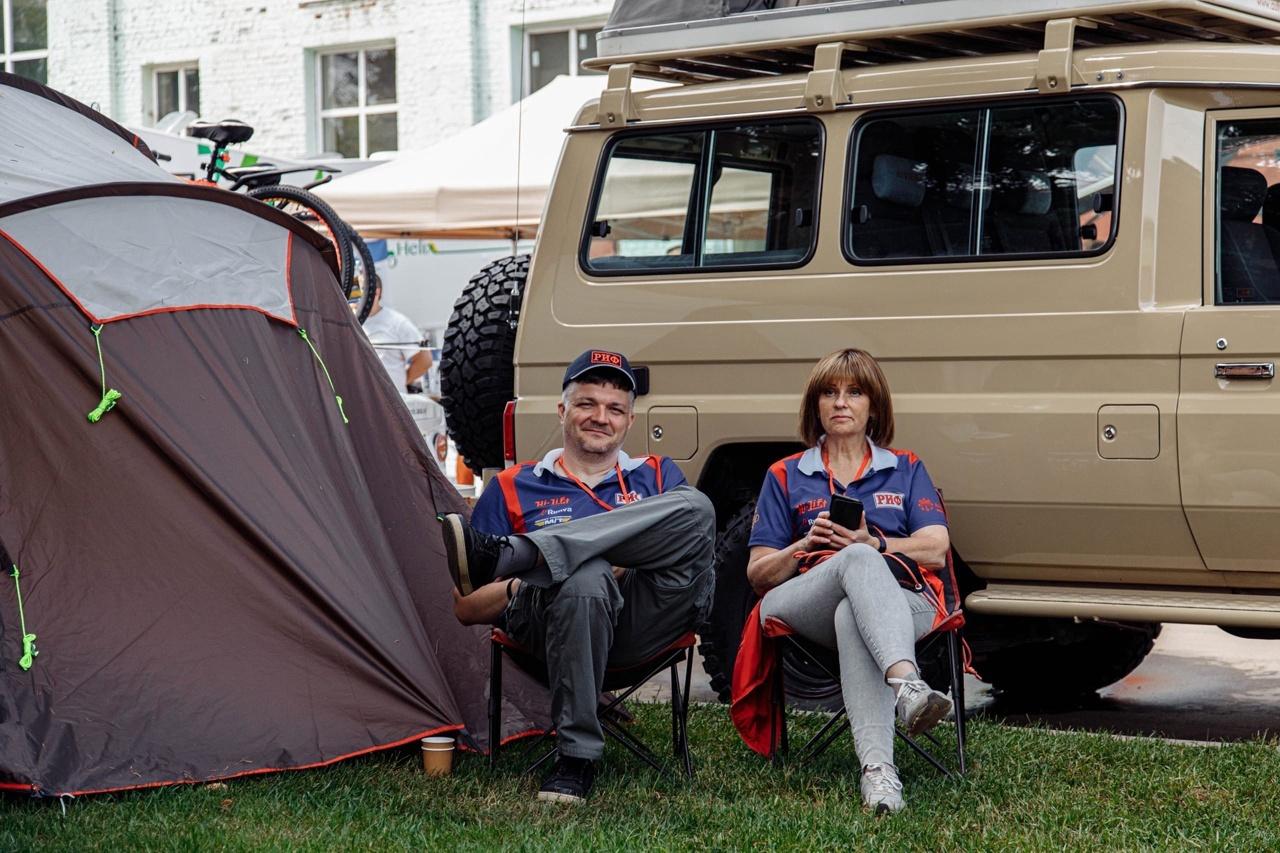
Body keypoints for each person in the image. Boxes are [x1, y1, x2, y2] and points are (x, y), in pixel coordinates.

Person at [439, 349, 715, 805]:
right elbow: (465, 606)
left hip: (642, 622)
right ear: (563, 409)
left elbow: (690, 540)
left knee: (699, 507)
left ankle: (523, 553)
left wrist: (545, 556)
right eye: (587, 403)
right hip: (552, 627)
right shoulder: (513, 485)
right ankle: (575, 758)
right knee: (585, 576)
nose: (600, 417)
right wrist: (534, 580)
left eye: (615, 409)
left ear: (629, 422)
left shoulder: (658, 475)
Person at [731, 348, 959, 815]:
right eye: (829, 393)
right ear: (814, 406)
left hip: (900, 602)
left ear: (874, 406)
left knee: (852, 611)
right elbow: (757, 576)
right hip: (800, 600)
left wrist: (876, 544)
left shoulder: (905, 466)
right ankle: (907, 685)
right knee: (853, 560)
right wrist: (803, 546)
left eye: (854, 392)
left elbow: (936, 548)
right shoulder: (786, 474)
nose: (841, 402)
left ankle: (879, 776)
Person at [360, 275, 431, 391]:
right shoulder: (351, 322)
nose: (358, 295)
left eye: (362, 288)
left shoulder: (397, 322)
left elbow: (424, 360)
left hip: (392, 401)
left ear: (376, 292)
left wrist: (399, 383)